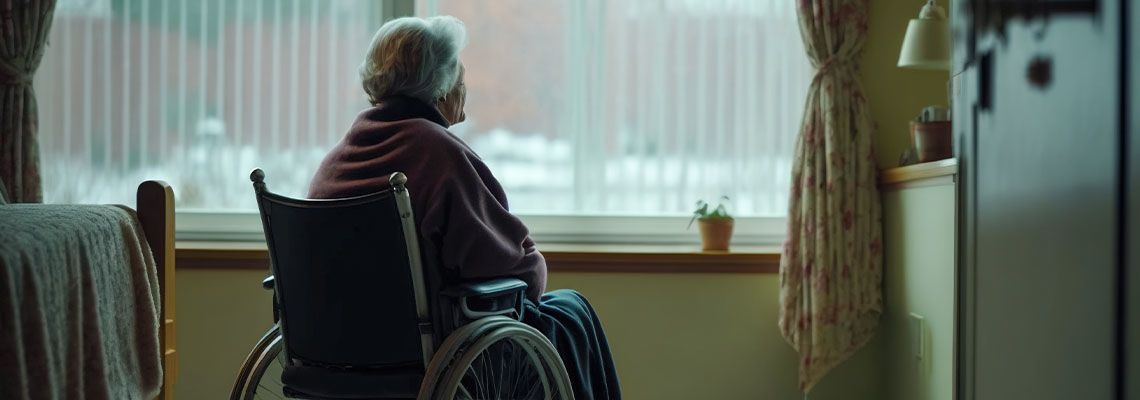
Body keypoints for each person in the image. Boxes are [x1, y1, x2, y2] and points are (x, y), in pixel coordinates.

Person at [307, 16, 621, 400]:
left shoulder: (337, 160)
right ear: (440, 90)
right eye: (460, 77)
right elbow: (510, 271)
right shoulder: (439, 154)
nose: (464, 88)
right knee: (571, 312)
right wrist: (534, 265)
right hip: (438, 354)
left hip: (339, 351)